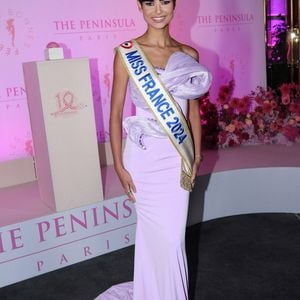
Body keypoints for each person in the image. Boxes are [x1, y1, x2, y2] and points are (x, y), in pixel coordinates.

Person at [96, 0, 212, 299]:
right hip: (143, 158)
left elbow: (193, 112)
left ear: (175, 5)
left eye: (165, 1)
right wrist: (119, 166)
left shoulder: (188, 54)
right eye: (149, 2)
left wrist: (196, 155)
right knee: (151, 236)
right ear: (139, 6)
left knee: (173, 237)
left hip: (177, 157)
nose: (157, 9)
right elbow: (116, 111)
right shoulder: (127, 53)